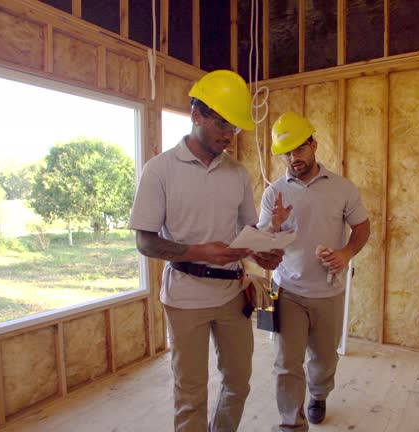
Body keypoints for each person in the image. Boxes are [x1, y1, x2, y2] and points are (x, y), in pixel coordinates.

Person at [129, 70, 284, 432]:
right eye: (221, 124)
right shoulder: (160, 170)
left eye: (234, 129)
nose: (228, 136)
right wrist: (200, 251)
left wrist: (262, 252)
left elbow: (248, 232)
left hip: (233, 294)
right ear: (196, 114)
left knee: (239, 382)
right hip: (185, 300)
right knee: (191, 393)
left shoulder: (237, 173)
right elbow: (145, 241)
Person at [259, 112, 371, 431]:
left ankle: (319, 394)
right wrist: (274, 226)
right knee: (285, 362)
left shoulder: (342, 188)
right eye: (287, 152)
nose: (294, 157)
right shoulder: (273, 194)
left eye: (300, 148)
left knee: (323, 359)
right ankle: (290, 422)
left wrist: (345, 253)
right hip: (284, 290)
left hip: (328, 290)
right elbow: (263, 248)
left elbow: (362, 227)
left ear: (314, 145)